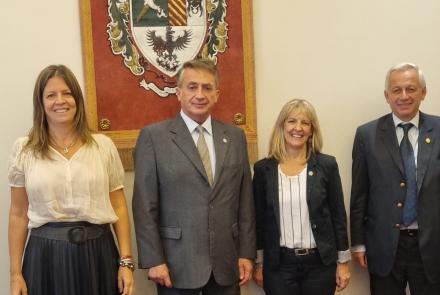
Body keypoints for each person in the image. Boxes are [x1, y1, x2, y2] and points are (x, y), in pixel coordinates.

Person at [8, 65, 134, 295]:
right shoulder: (24, 150)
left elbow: (119, 206)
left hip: (98, 254)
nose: (60, 101)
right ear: (41, 103)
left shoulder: (102, 146)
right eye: (51, 95)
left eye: (67, 93)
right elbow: (18, 213)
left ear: (77, 98)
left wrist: (126, 262)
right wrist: (15, 274)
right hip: (45, 256)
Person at [132, 58, 255, 295]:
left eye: (207, 87)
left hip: (226, 262)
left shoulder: (235, 137)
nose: (200, 94)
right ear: (178, 93)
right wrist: (153, 259)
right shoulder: (154, 137)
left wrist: (246, 253)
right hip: (175, 265)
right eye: (192, 87)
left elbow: (245, 202)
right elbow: (144, 206)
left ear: (217, 94)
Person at [350, 62, 440, 294]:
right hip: (384, 244)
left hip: (432, 245)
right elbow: (360, 194)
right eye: (396, 90)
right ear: (386, 95)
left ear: (423, 92)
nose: (404, 96)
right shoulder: (367, 135)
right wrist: (358, 243)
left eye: (411, 89)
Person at [252, 99, 350, 295]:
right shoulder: (264, 169)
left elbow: (338, 216)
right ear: (282, 126)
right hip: (279, 266)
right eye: (292, 121)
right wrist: (259, 263)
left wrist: (343, 262)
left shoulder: (326, 166)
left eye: (305, 123)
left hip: (320, 265)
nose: (298, 128)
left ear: (312, 130)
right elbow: (259, 221)